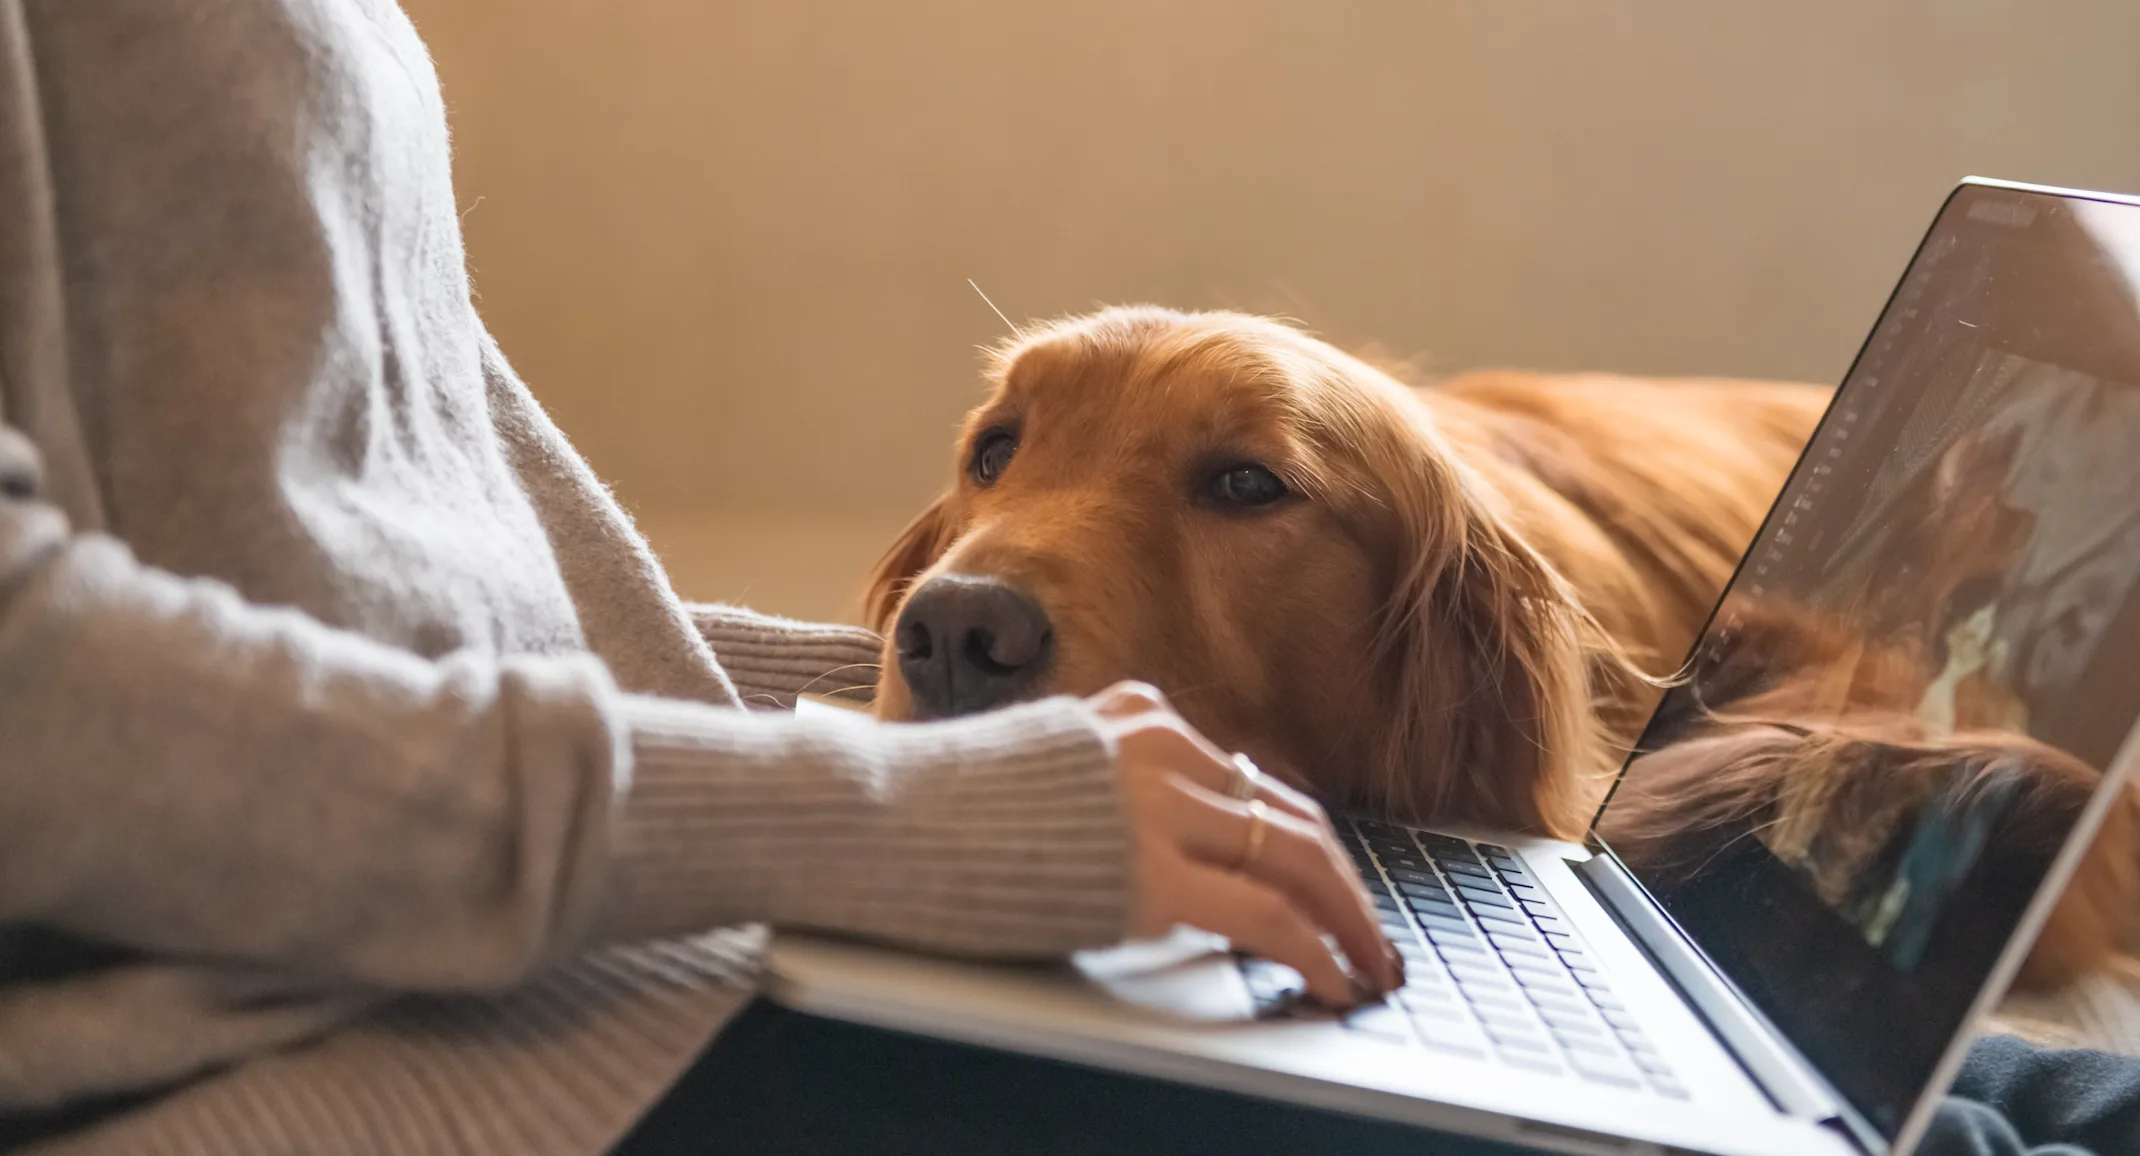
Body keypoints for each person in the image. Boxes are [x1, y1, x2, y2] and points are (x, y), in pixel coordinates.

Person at [0, 5, 2127, 1156]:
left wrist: (879, 736)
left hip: (513, 918)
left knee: (1950, 1081)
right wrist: (884, 808)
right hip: (292, 1039)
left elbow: (373, 540)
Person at [0, 3, 1396, 1153]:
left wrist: (873, 700)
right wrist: (900, 821)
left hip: (470, 937)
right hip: (242, 1053)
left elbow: (363, 537)